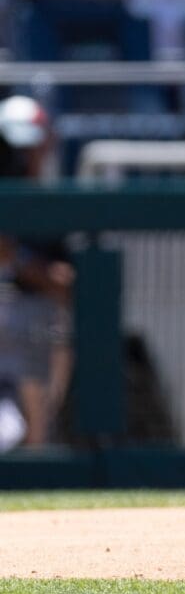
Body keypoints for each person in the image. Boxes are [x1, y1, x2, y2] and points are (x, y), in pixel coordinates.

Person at [0, 95, 74, 449]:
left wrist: (18, 262)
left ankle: (35, 445)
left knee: (28, 434)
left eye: (26, 147)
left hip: (34, 324)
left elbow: (69, 286)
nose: (17, 158)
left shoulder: (57, 204)